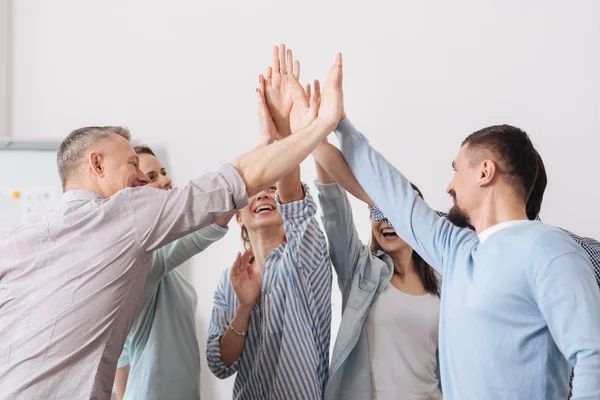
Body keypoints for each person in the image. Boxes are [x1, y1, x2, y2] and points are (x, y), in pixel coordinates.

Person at [0, 46, 344, 399]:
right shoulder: (125, 216)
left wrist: (269, 142)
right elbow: (229, 186)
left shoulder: (15, 244)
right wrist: (317, 126)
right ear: (97, 165)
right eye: (133, 165)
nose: (143, 181)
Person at [331, 94, 600, 398]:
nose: (449, 186)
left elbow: (593, 356)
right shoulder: (456, 249)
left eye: (456, 169)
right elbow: (392, 192)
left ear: (485, 172)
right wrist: (339, 123)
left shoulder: (551, 250)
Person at [206, 45, 333, 399]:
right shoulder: (229, 283)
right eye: (255, 191)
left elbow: (295, 200)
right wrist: (244, 307)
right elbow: (219, 363)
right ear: (238, 216)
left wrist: (285, 134)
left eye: (270, 189)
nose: (263, 194)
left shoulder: (306, 256)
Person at [113, 145, 233, 400]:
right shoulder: (144, 262)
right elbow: (212, 223)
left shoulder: (163, 266)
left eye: (163, 173)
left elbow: (121, 352)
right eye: (152, 177)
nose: (166, 181)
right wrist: (243, 184)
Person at [315, 160, 441, 400]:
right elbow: (334, 208)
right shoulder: (360, 270)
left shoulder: (442, 282)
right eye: (378, 211)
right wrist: (318, 140)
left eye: (395, 211)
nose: (386, 219)